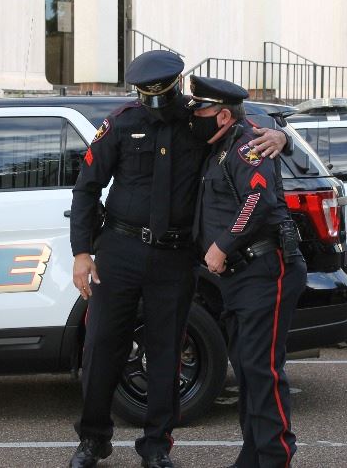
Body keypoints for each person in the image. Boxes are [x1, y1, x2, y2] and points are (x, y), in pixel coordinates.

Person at [68, 50, 289, 468]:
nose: (153, 101)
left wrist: (283, 136)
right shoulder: (121, 123)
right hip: (120, 250)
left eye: (162, 93)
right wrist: (82, 252)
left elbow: (247, 126)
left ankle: (156, 447)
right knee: (100, 347)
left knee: (166, 351)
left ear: (175, 87)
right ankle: (93, 440)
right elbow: (86, 188)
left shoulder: (198, 117)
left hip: (173, 256)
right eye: (145, 94)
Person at [190, 75, 307, 468]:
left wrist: (223, 244)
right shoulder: (220, 144)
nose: (196, 116)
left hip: (264, 269)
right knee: (245, 366)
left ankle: (275, 457)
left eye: (201, 109)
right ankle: (254, 453)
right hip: (240, 278)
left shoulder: (247, 146)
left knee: (261, 368)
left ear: (222, 114)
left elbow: (256, 202)